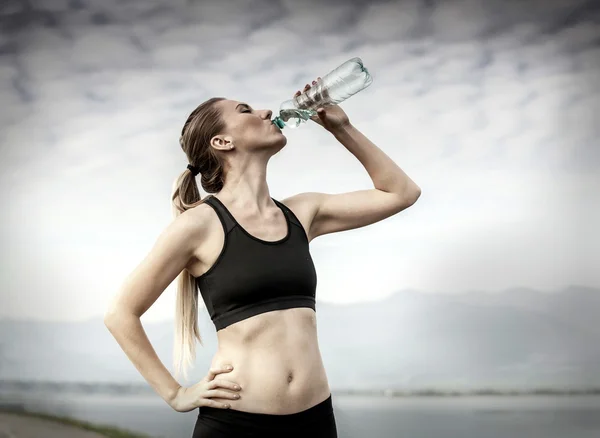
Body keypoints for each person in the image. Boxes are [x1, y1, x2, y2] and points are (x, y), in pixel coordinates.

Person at [104, 79, 421, 438]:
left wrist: (342, 129)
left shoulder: (303, 212)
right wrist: (176, 393)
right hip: (237, 424)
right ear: (222, 142)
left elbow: (402, 192)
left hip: (315, 422)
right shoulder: (199, 225)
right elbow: (120, 314)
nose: (266, 112)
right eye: (246, 111)